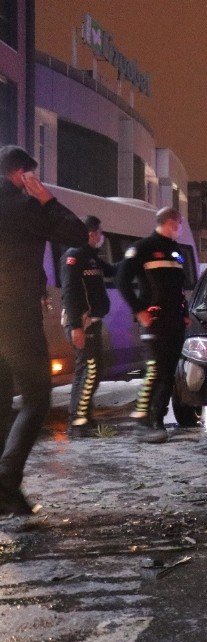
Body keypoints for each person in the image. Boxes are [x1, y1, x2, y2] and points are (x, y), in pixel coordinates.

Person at [0, 145, 88, 515]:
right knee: (37, 398)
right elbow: (78, 234)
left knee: (1, 402)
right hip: (15, 315)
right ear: (22, 175)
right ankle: (6, 481)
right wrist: (46, 199)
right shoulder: (25, 207)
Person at [116, 208, 190, 444]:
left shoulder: (176, 250)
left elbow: (178, 288)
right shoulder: (144, 248)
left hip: (175, 320)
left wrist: (184, 313)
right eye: (179, 223)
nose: (180, 228)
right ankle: (142, 421)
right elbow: (121, 280)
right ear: (171, 222)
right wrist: (139, 310)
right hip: (155, 319)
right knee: (155, 369)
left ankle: (157, 421)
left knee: (168, 373)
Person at [61, 216, 115, 438]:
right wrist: (76, 327)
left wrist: (133, 258)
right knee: (87, 370)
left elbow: (112, 270)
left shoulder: (91, 258)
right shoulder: (74, 256)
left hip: (92, 322)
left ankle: (85, 416)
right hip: (81, 323)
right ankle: (77, 422)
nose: (101, 237)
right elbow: (70, 292)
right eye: (100, 233)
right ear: (92, 234)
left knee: (94, 370)